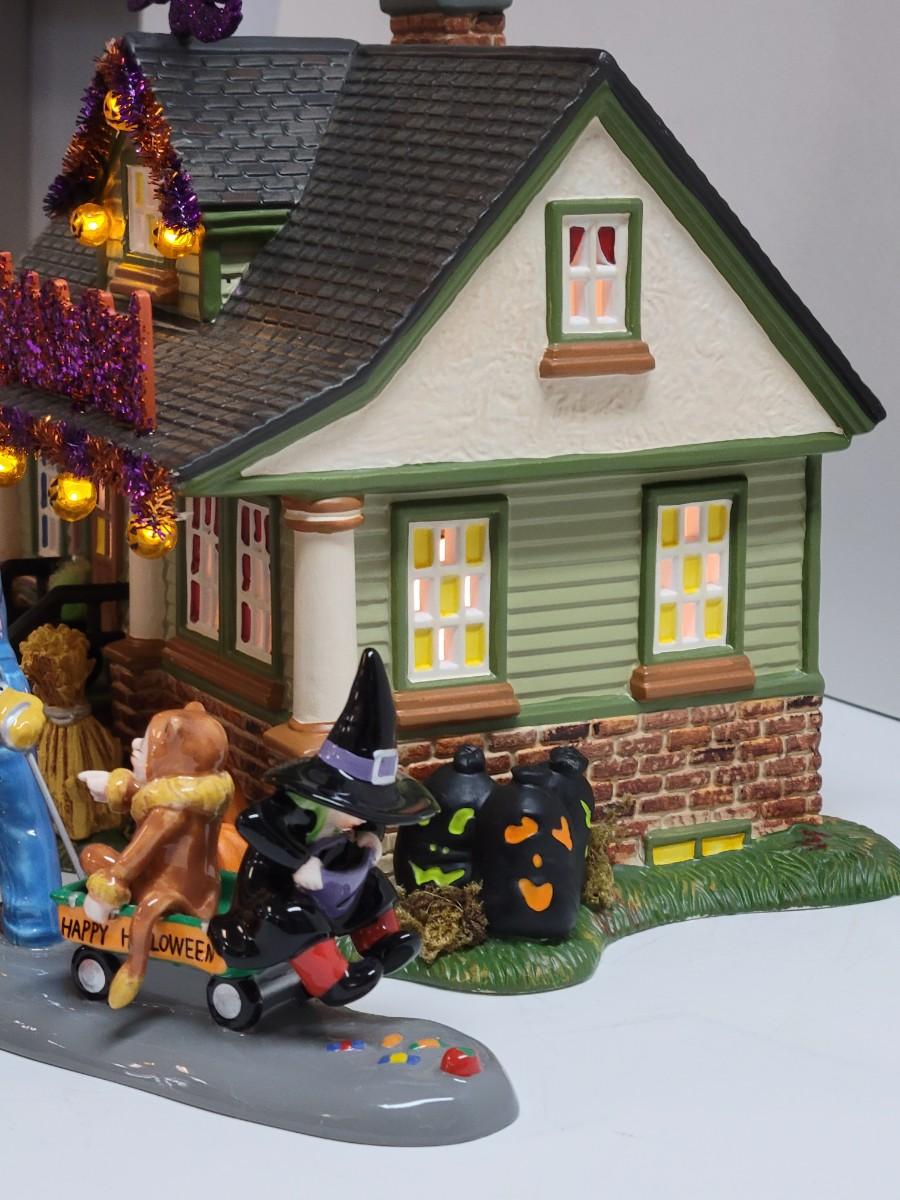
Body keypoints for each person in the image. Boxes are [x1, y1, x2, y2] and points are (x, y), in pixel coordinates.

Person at [209, 648, 439, 1006]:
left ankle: (382, 941)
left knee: (373, 884)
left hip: (333, 889)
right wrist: (300, 861)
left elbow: (370, 824)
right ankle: (332, 980)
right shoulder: (292, 809)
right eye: (359, 809)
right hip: (275, 895)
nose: (363, 818)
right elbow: (250, 823)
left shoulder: (356, 821)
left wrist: (368, 836)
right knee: (298, 918)